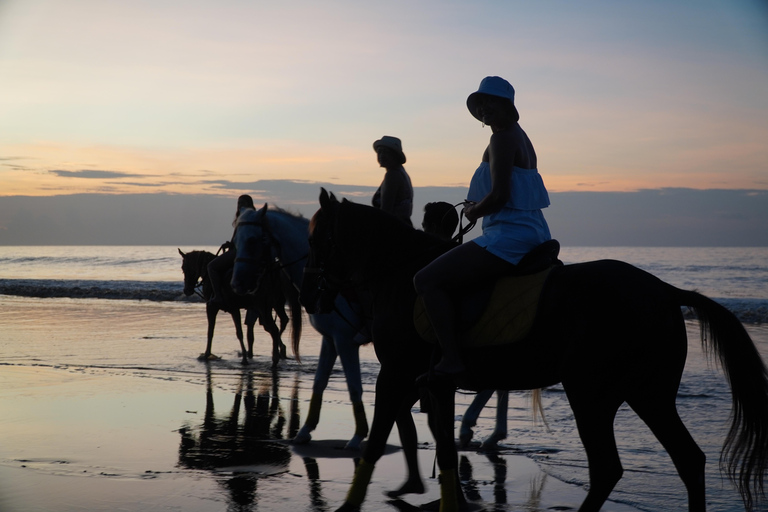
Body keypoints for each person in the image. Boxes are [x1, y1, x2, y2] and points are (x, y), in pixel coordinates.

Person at [413, 76, 552, 376]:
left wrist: (475, 210)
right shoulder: (520, 137)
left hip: (507, 237)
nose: (484, 108)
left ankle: (452, 359)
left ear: (507, 106)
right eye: (480, 103)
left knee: (426, 281)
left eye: (491, 101)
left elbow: (500, 196)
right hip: (532, 233)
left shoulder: (500, 139)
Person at [208, 194, 256, 305]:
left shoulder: (245, 218)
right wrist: (229, 244)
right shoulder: (249, 217)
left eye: (242, 203)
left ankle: (218, 296)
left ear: (248, 204)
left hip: (239, 253)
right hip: (240, 250)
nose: (239, 206)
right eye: (238, 203)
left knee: (211, 267)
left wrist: (232, 246)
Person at [371, 136, 414, 227]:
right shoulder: (402, 173)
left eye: (386, 152)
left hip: (393, 230)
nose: (381, 155)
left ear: (395, 155)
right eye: (379, 152)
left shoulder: (392, 175)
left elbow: (385, 211)